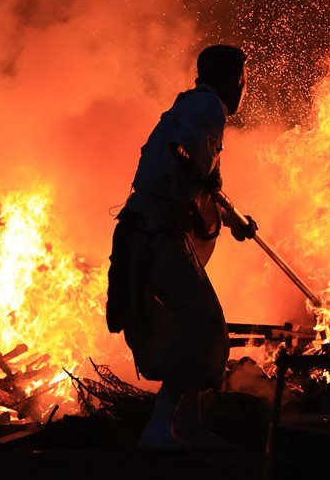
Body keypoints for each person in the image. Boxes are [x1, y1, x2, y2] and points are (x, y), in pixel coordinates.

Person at [106, 44, 257, 451]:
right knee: (202, 328)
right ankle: (160, 428)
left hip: (153, 233)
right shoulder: (208, 109)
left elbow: (201, 186)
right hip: (158, 236)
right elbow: (180, 173)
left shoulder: (189, 107)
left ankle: (187, 426)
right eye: (243, 81)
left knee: (196, 327)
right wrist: (201, 180)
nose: (243, 89)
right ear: (232, 80)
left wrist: (236, 222)